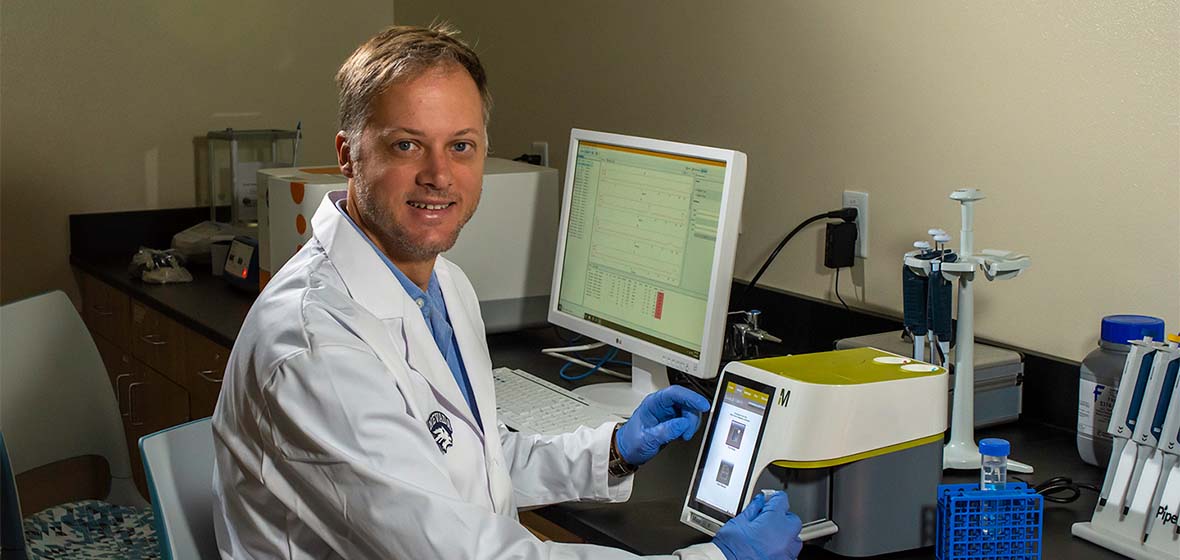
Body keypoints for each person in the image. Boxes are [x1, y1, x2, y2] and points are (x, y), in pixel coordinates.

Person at [211, 23, 803, 560]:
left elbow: (468, 466)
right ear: (348, 154)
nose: (439, 175)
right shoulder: (317, 345)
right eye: (406, 144)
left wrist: (614, 449)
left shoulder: (443, 284)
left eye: (460, 146)